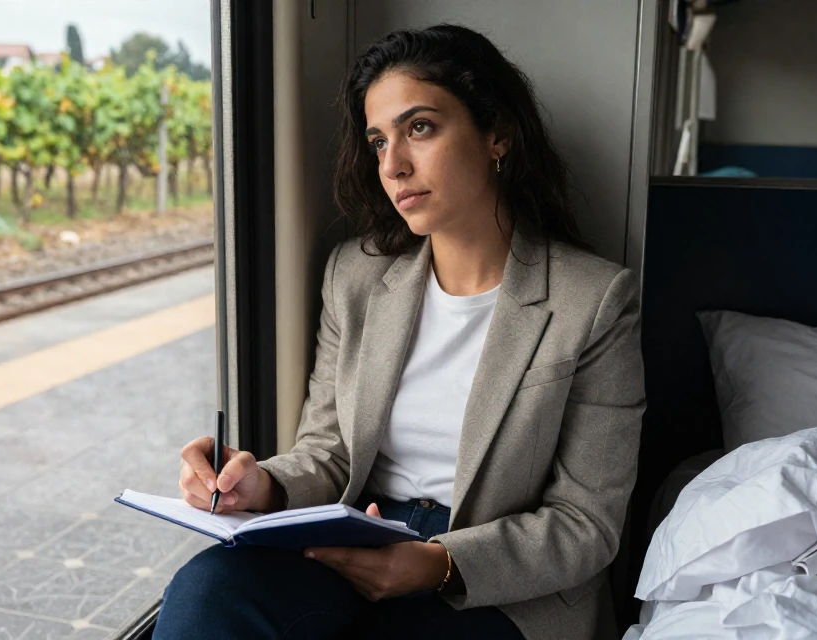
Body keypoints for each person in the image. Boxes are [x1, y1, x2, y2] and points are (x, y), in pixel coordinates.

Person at [154, 23, 645, 640]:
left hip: (496, 581)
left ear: (497, 135)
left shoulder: (594, 300)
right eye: (378, 140)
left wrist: (441, 564)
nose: (393, 166)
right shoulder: (355, 275)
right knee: (207, 592)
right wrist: (264, 485)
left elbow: (585, 523)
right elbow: (329, 452)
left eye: (420, 128)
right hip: (360, 534)